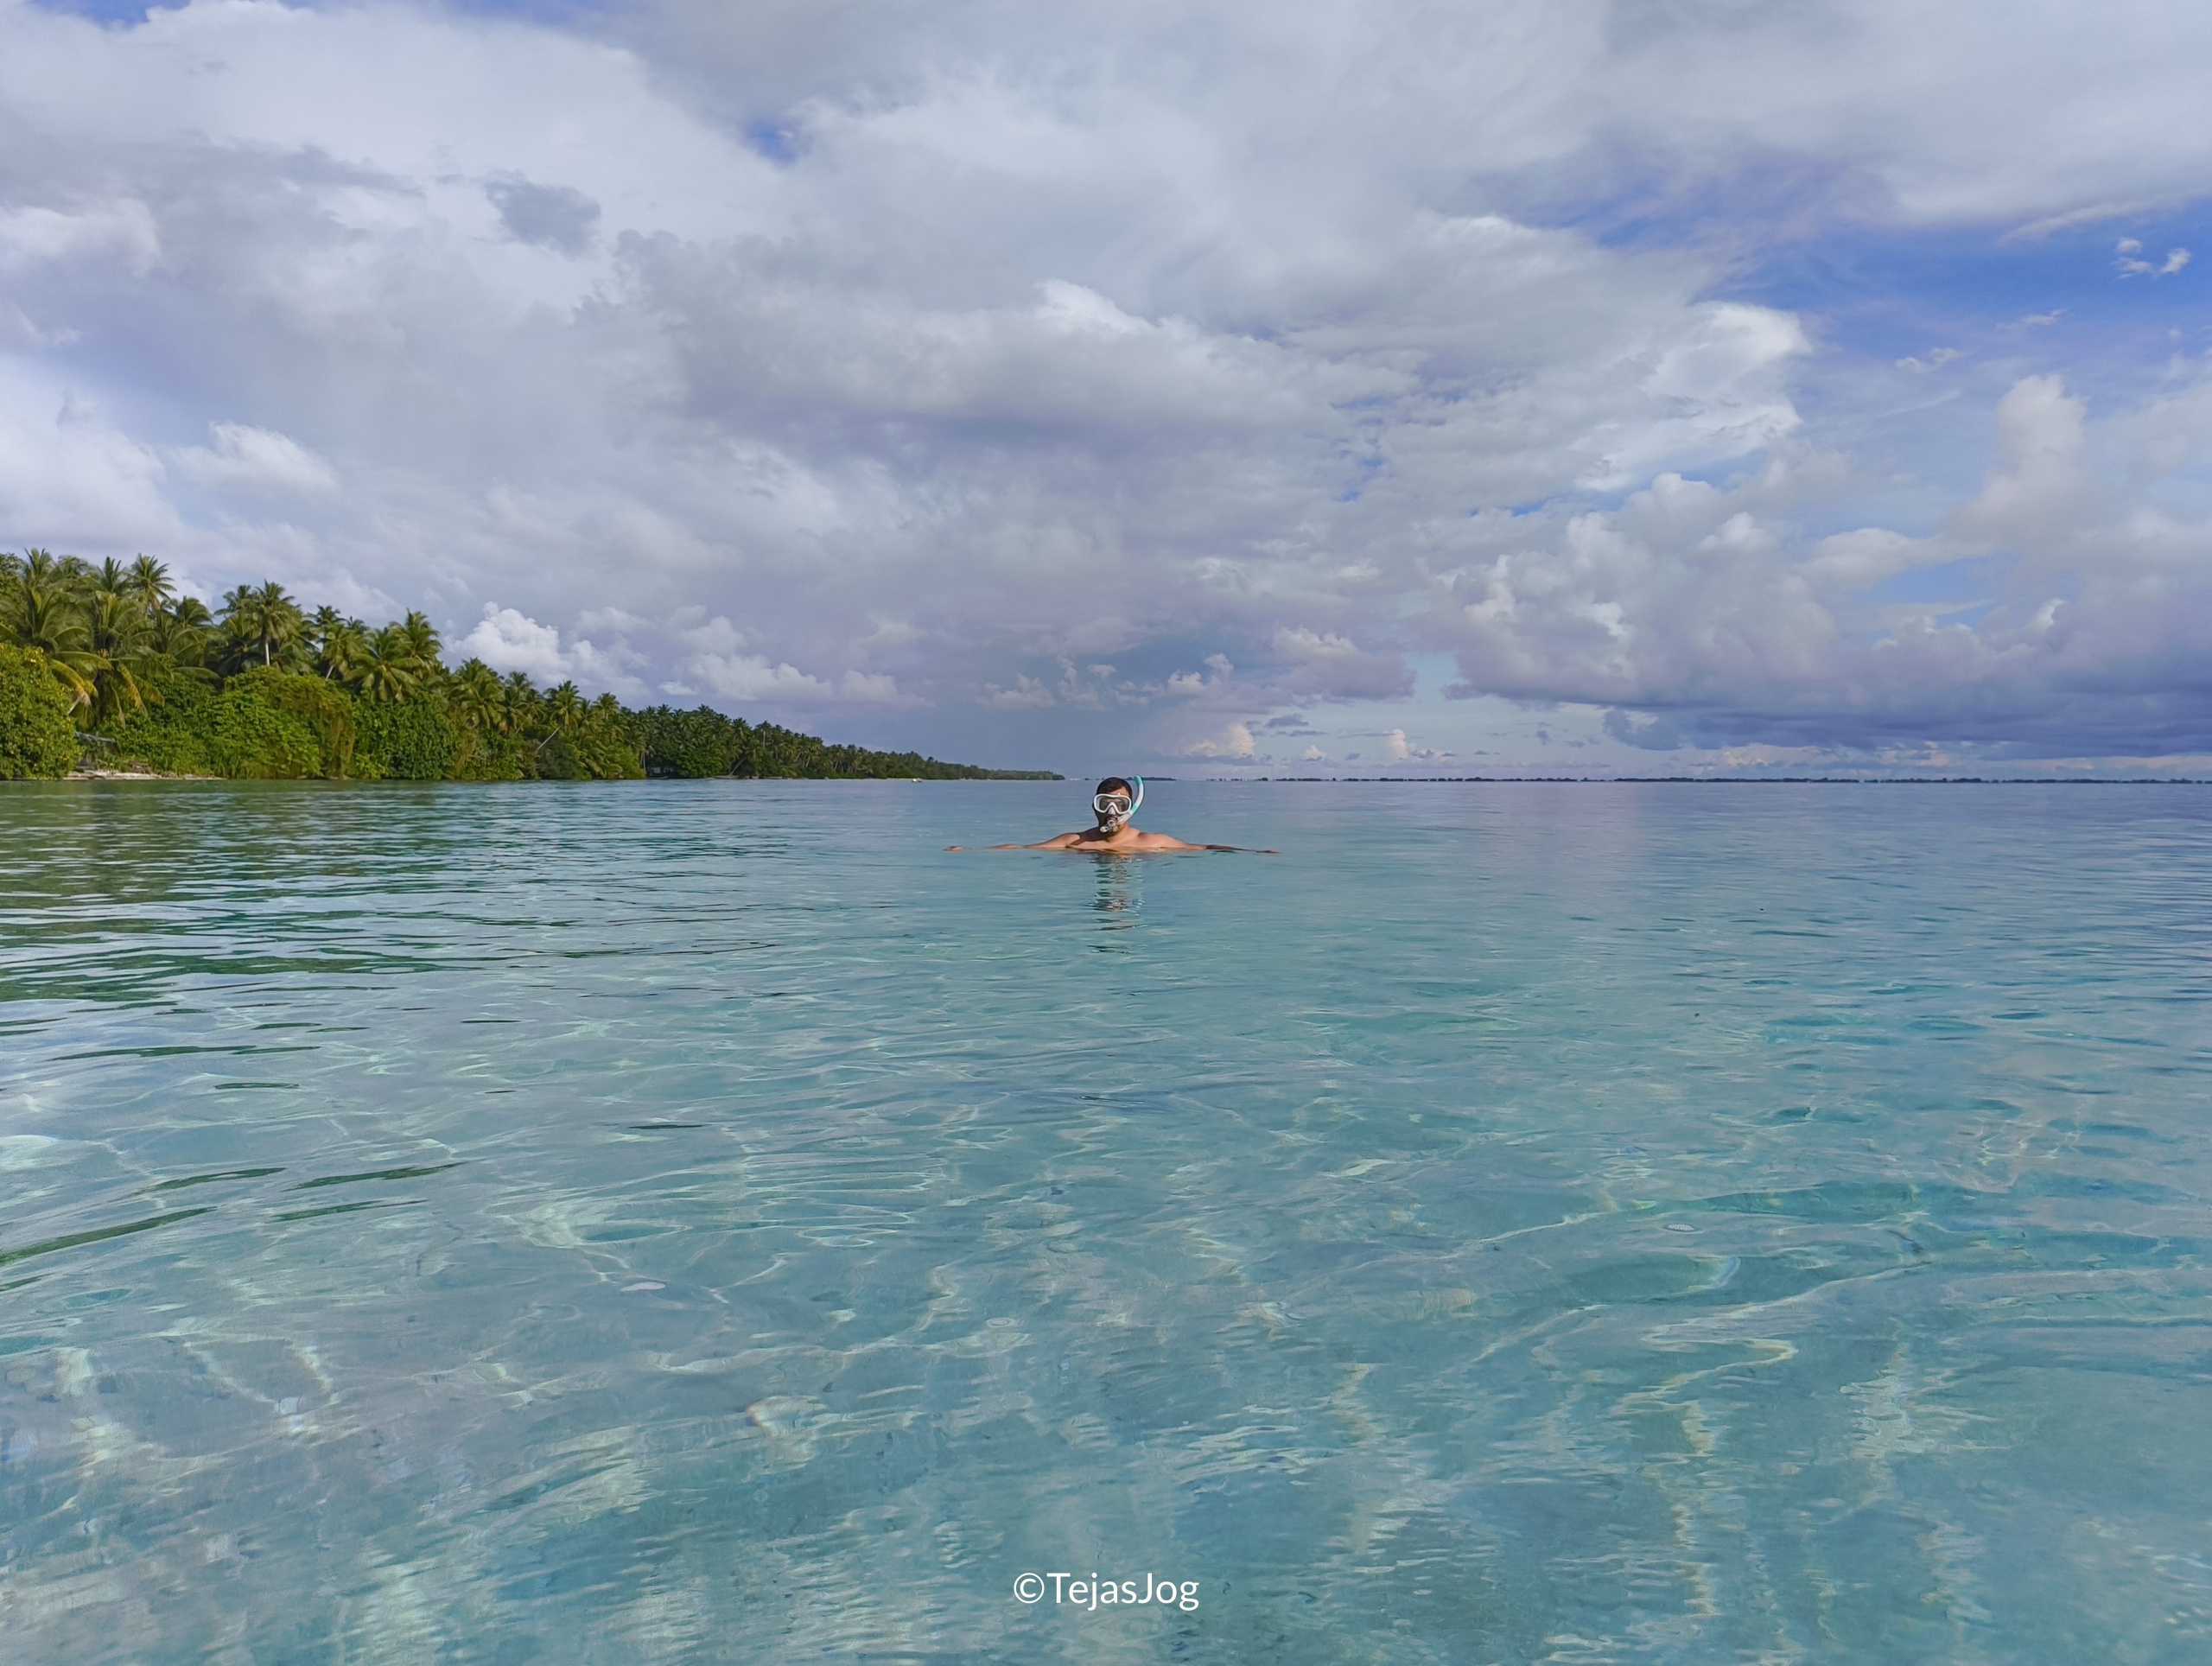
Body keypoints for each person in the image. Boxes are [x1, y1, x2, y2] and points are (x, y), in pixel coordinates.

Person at [948, 776, 1274, 853]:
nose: (1111, 812)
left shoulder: (1151, 842)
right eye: (1104, 803)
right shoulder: (1074, 841)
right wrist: (969, 851)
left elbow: (1202, 849)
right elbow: (1024, 850)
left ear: (1132, 808)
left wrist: (1256, 852)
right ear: (1094, 806)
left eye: (1119, 804)